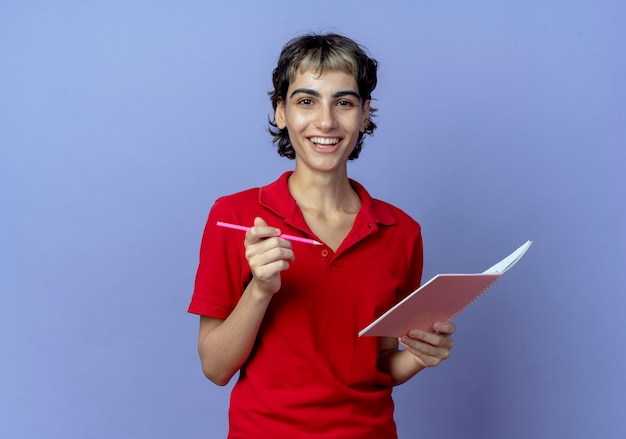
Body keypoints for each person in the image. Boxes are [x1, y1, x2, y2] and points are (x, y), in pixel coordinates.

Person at [188, 33, 455, 438]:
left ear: (365, 115)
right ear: (280, 112)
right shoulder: (235, 217)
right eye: (306, 101)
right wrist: (260, 288)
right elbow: (215, 368)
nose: (326, 121)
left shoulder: (401, 232)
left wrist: (420, 356)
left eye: (344, 102)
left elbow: (380, 365)